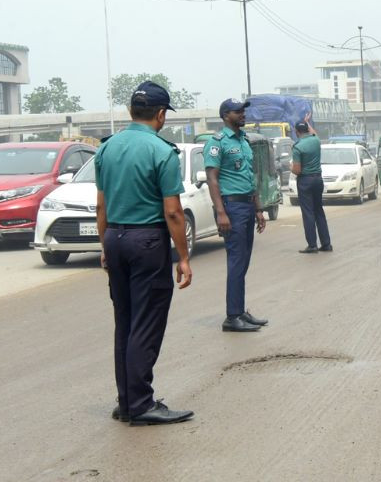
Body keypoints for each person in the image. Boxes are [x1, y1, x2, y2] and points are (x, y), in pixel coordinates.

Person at [96, 80, 194, 426]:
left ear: (129, 111)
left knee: (124, 322)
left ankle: (126, 401)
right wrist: (182, 256)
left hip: (116, 238)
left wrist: (104, 246)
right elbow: (173, 212)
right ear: (161, 114)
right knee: (146, 324)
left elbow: (101, 206)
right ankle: (141, 404)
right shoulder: (161, 151)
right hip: (147, 242)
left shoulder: (106, 149)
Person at [204, 98, 269, 333]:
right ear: (225, 116)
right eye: (237, 111)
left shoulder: (244, 140)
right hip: (231, 207)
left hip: (247, 205)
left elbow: (249, 177)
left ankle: (240, 311)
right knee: (236, 261)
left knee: (243, 261)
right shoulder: (217, 143)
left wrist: (259, 208)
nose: (243, 114)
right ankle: (232, 317)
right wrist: (221, 212)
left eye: (243, 110)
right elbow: (212, 179)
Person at [291, 121, 332, 254]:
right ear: (307, 130)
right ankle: (326, 244)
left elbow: (297, 170)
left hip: (305, 181)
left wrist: (289, 167)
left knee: (308, 213)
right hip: (318, 179)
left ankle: (312, 245)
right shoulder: (316, 140)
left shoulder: (298, 147)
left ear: (297, 132)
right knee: (319, 210)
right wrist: (307, 121)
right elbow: (313, 132)